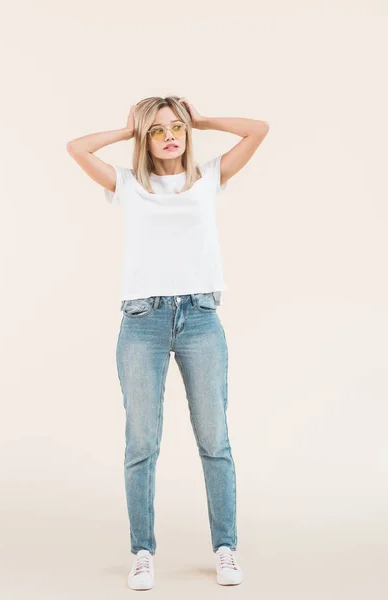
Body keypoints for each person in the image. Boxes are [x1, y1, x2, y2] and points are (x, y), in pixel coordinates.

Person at [66, 96, 269, 590]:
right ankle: (142, 551)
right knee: (142, 443)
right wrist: (127, 129)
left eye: (176, 127)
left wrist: (202, 119)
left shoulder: (208, 177)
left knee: (215, 439)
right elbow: (75, 147)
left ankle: (225, 547)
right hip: (143, 320)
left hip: (200, 317)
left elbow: (259, 129)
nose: (170, 136)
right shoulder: (129, 185)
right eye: (157, 131)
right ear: (145, 138)